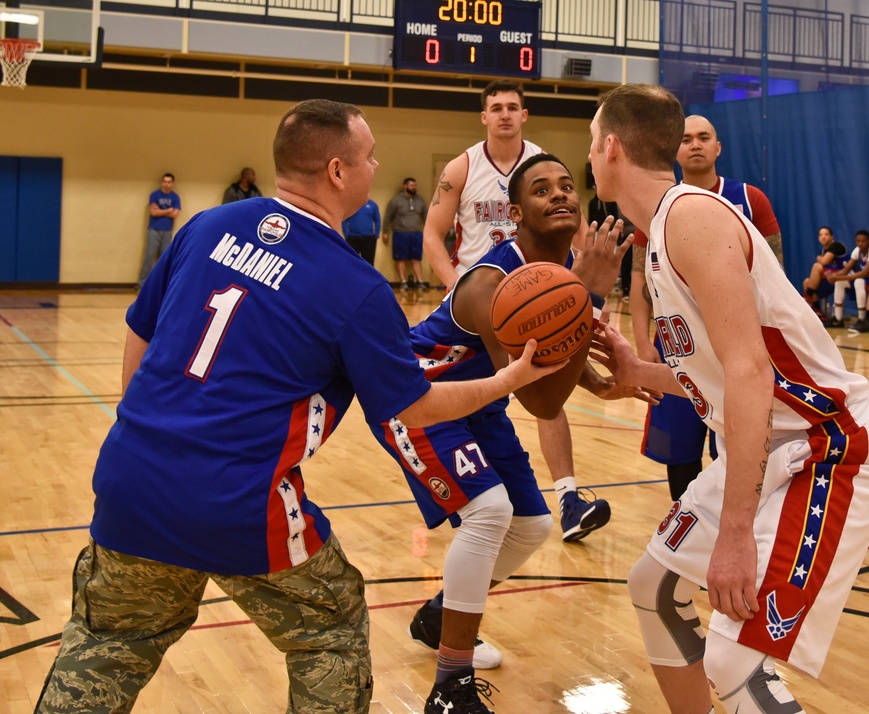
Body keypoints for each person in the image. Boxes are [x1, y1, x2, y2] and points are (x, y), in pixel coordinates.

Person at [35, 99, 562, 714]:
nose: (377, 165)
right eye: (369, 156)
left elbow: (140, 331)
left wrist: (151, 433)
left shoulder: (205, 226)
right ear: (339, 173)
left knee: (105, 646)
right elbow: (414, 408)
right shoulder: (357, 286)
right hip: (241, 502)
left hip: (130, 478)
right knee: (331, 632)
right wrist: (512, 379)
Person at [587, 83, 869, 714]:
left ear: (612, 147)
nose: (589, 157)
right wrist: (640, 372)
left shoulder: (692, 219)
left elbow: (752, 374)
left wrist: (736, 536)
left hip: (829, 447)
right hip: (773, 445)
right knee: (654, 586)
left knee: (734, 657)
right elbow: (725, 377)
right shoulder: (659, 237)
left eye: (592, 144)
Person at [370, 154, 640, 714]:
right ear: (516, 214)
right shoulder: (494, 282)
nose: (561, 195)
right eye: (543, 190)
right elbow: (540, 399)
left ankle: (440, 617)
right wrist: (589, 295)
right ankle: (450, 685)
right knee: (490, 511)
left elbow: (549, 358)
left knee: (533, 525)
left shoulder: (563, 265)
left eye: (568, 186)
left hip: (479, 403)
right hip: (420, 397)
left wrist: (600, 381)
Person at [421, 79, 612, 548]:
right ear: (484, 116)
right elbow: (432, 234)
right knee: (534, 385)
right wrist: (459, 289)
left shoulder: (543, 164)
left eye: (513, 107)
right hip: (478, 303)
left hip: (533, 289)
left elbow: (577, 236)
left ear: (524, 115)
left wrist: (603, 373)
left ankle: (567, 496)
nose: (505, 114)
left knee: (546, 371)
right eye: (496, 108)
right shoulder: (462, 167)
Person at [629, 113, 783, 502]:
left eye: (703, 137)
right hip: (678, 344)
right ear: (673, 150)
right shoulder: (654, 206)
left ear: (717, 147)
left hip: (739, 343)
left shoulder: (750, 199)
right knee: (679, 449)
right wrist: (642, 344)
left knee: (736, 443)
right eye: (686, 138)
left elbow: (776, 277)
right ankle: (688, 524)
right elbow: (638, 280)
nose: (695, 144)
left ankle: (731, 525)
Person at [827, 229, 869, 328]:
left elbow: (864, 273)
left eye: (863, 241)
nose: (860, 243)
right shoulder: (857, 250)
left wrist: (840, 277)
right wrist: (835, 276)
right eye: (858, 241)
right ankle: (838, 318)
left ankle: (862, 319)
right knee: (839, 283)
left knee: (858, 281)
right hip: (864, 280)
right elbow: (846, 270)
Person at [383, 177, 429, 289]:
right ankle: (403, 281)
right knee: (400, 258)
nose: (414, 188)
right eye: (412, 186)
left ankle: (420, 282)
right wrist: (385, 232)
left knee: (417, 258)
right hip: (400, 233)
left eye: (415, 186)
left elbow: (426, 218)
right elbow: (388, 217)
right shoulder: (396, 200)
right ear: (405, 186)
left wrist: (429, 233)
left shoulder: (420, 200)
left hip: (416, 233)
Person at [138, 172, 180, 289]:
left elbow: (176, 214)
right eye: (165, 182)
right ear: (162, 182)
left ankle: (161, 286)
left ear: (172, 183)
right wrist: (168, 210)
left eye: (169, 182)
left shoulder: (175, 197)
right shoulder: (155, 195)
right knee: (149, 256)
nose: (167, 184)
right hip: (154, 230)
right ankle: (141, 284)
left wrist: (161, 210)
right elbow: (153, 212)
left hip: (167, 231)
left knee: (164, 259)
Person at [589, 196, 634, 299]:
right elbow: (591, 217)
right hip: (597, 232)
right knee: (598, 260)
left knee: (614, 260)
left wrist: (616, 230)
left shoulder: (612, 202)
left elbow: (617, 217)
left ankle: (618, 286)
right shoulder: (593, 202)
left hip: (613, 233)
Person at [802, 226, 849, 323]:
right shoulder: (823, 251)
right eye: (820, 235)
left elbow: (823, 261)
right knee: (807, 282)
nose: (823, 237)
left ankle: (807, 296)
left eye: (826, 234)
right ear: (818, 238)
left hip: (845, 275)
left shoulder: (836, 245)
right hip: (831, 278)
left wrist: (818, 258)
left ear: (831, 237)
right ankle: (818, 311)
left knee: (817, 266)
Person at [342, 196, 381, 267]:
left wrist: (376, 234)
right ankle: (352, 278)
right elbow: (344, 219)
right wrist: (346, 234)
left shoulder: (373, 205)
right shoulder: (352, 205)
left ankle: (368, 278)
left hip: (369, 239)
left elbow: (377, 220)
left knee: (368, 263)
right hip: (353, 238)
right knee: (351, 261)